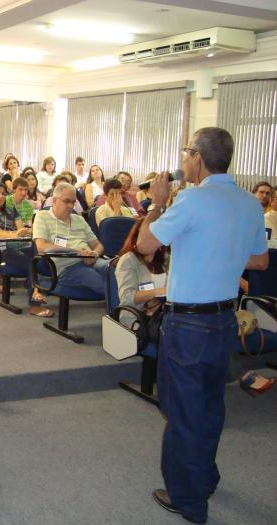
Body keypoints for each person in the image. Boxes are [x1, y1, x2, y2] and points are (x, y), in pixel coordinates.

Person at [136, 127, 268, 525]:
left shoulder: (191, 201)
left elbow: (144, 244)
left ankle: (189, 500)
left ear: (197, 157)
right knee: (209, 406)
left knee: (182, 412)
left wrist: (157, 206)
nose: (182, 160)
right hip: (224, 321)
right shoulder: (248, 203)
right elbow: (259, 262)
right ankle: (205, 478)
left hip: (189, 325)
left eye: (185, 152)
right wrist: (220, 249)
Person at [0, 183, 50, 316]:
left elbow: (20, 230)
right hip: (0, 251)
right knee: (31, 262)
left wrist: (29, 231)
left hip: (19, 246)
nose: (1, 196)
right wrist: (15, 234)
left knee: (39, 253)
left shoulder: (11, 210)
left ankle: (40, 288)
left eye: (3, 193)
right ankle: (35, 303)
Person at [33, 182, 107, 295]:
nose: (71, 206)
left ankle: (127, 302)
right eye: (67, 201)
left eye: (73, 202)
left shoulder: (79, 219)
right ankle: (125, 304)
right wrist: (78, 253)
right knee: (97, 280)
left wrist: (94, 254)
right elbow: (42, 247)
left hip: (91, 261)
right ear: (54, 200)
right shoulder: (42, 216)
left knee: (111, 268)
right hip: (67, 267)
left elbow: (99, 245)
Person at [114, 218, 167, 328]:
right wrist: (158, 292)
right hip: (137, 318)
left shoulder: (166, 259)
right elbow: (126, 297)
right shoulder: (128, 260)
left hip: (163, 314)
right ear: (138, 237)